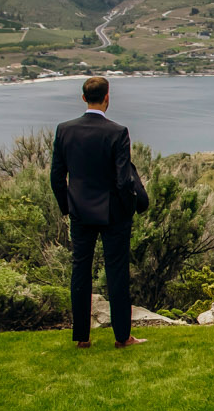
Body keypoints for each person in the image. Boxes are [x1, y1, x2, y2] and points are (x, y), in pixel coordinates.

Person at [50, 76, 150, 348]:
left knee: (80, 272)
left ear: (83, 98)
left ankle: (82, 337)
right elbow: (123, 180)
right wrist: (127, 209)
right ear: (107, 97)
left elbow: (57, 177)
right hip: (113, 214)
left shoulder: (64, 130)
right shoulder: (117, 132)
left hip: (80, 212)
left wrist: (67, 207)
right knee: (117, 273)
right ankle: (122, 337)